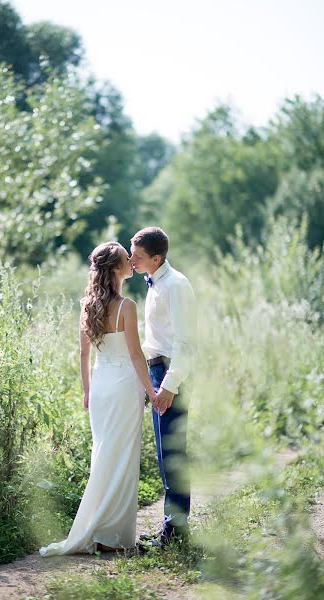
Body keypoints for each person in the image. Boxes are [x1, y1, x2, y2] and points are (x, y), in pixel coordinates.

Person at [39, 241, 157, 556]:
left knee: (104, 457)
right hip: (123, 388)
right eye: (126, 258)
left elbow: (83, 353)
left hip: (102, 387)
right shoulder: (127, 306)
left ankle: (108, 532)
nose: (132, 261)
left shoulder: (88, 305)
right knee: (121, 460)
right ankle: (112, 536)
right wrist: (152, 392)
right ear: (117, 269)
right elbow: (135, 354)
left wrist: (87, 390)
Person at [130, 227, 197, 547]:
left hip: (172, 375)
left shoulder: (176, 286)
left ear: (157, 258)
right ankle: (172, 527)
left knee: (172, 453)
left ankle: (177, 531)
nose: (131, 260)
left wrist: (169, 386)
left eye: (138, 256)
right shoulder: (156, 282)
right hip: (158, 371)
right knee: (163, 452)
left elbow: (186, 344)